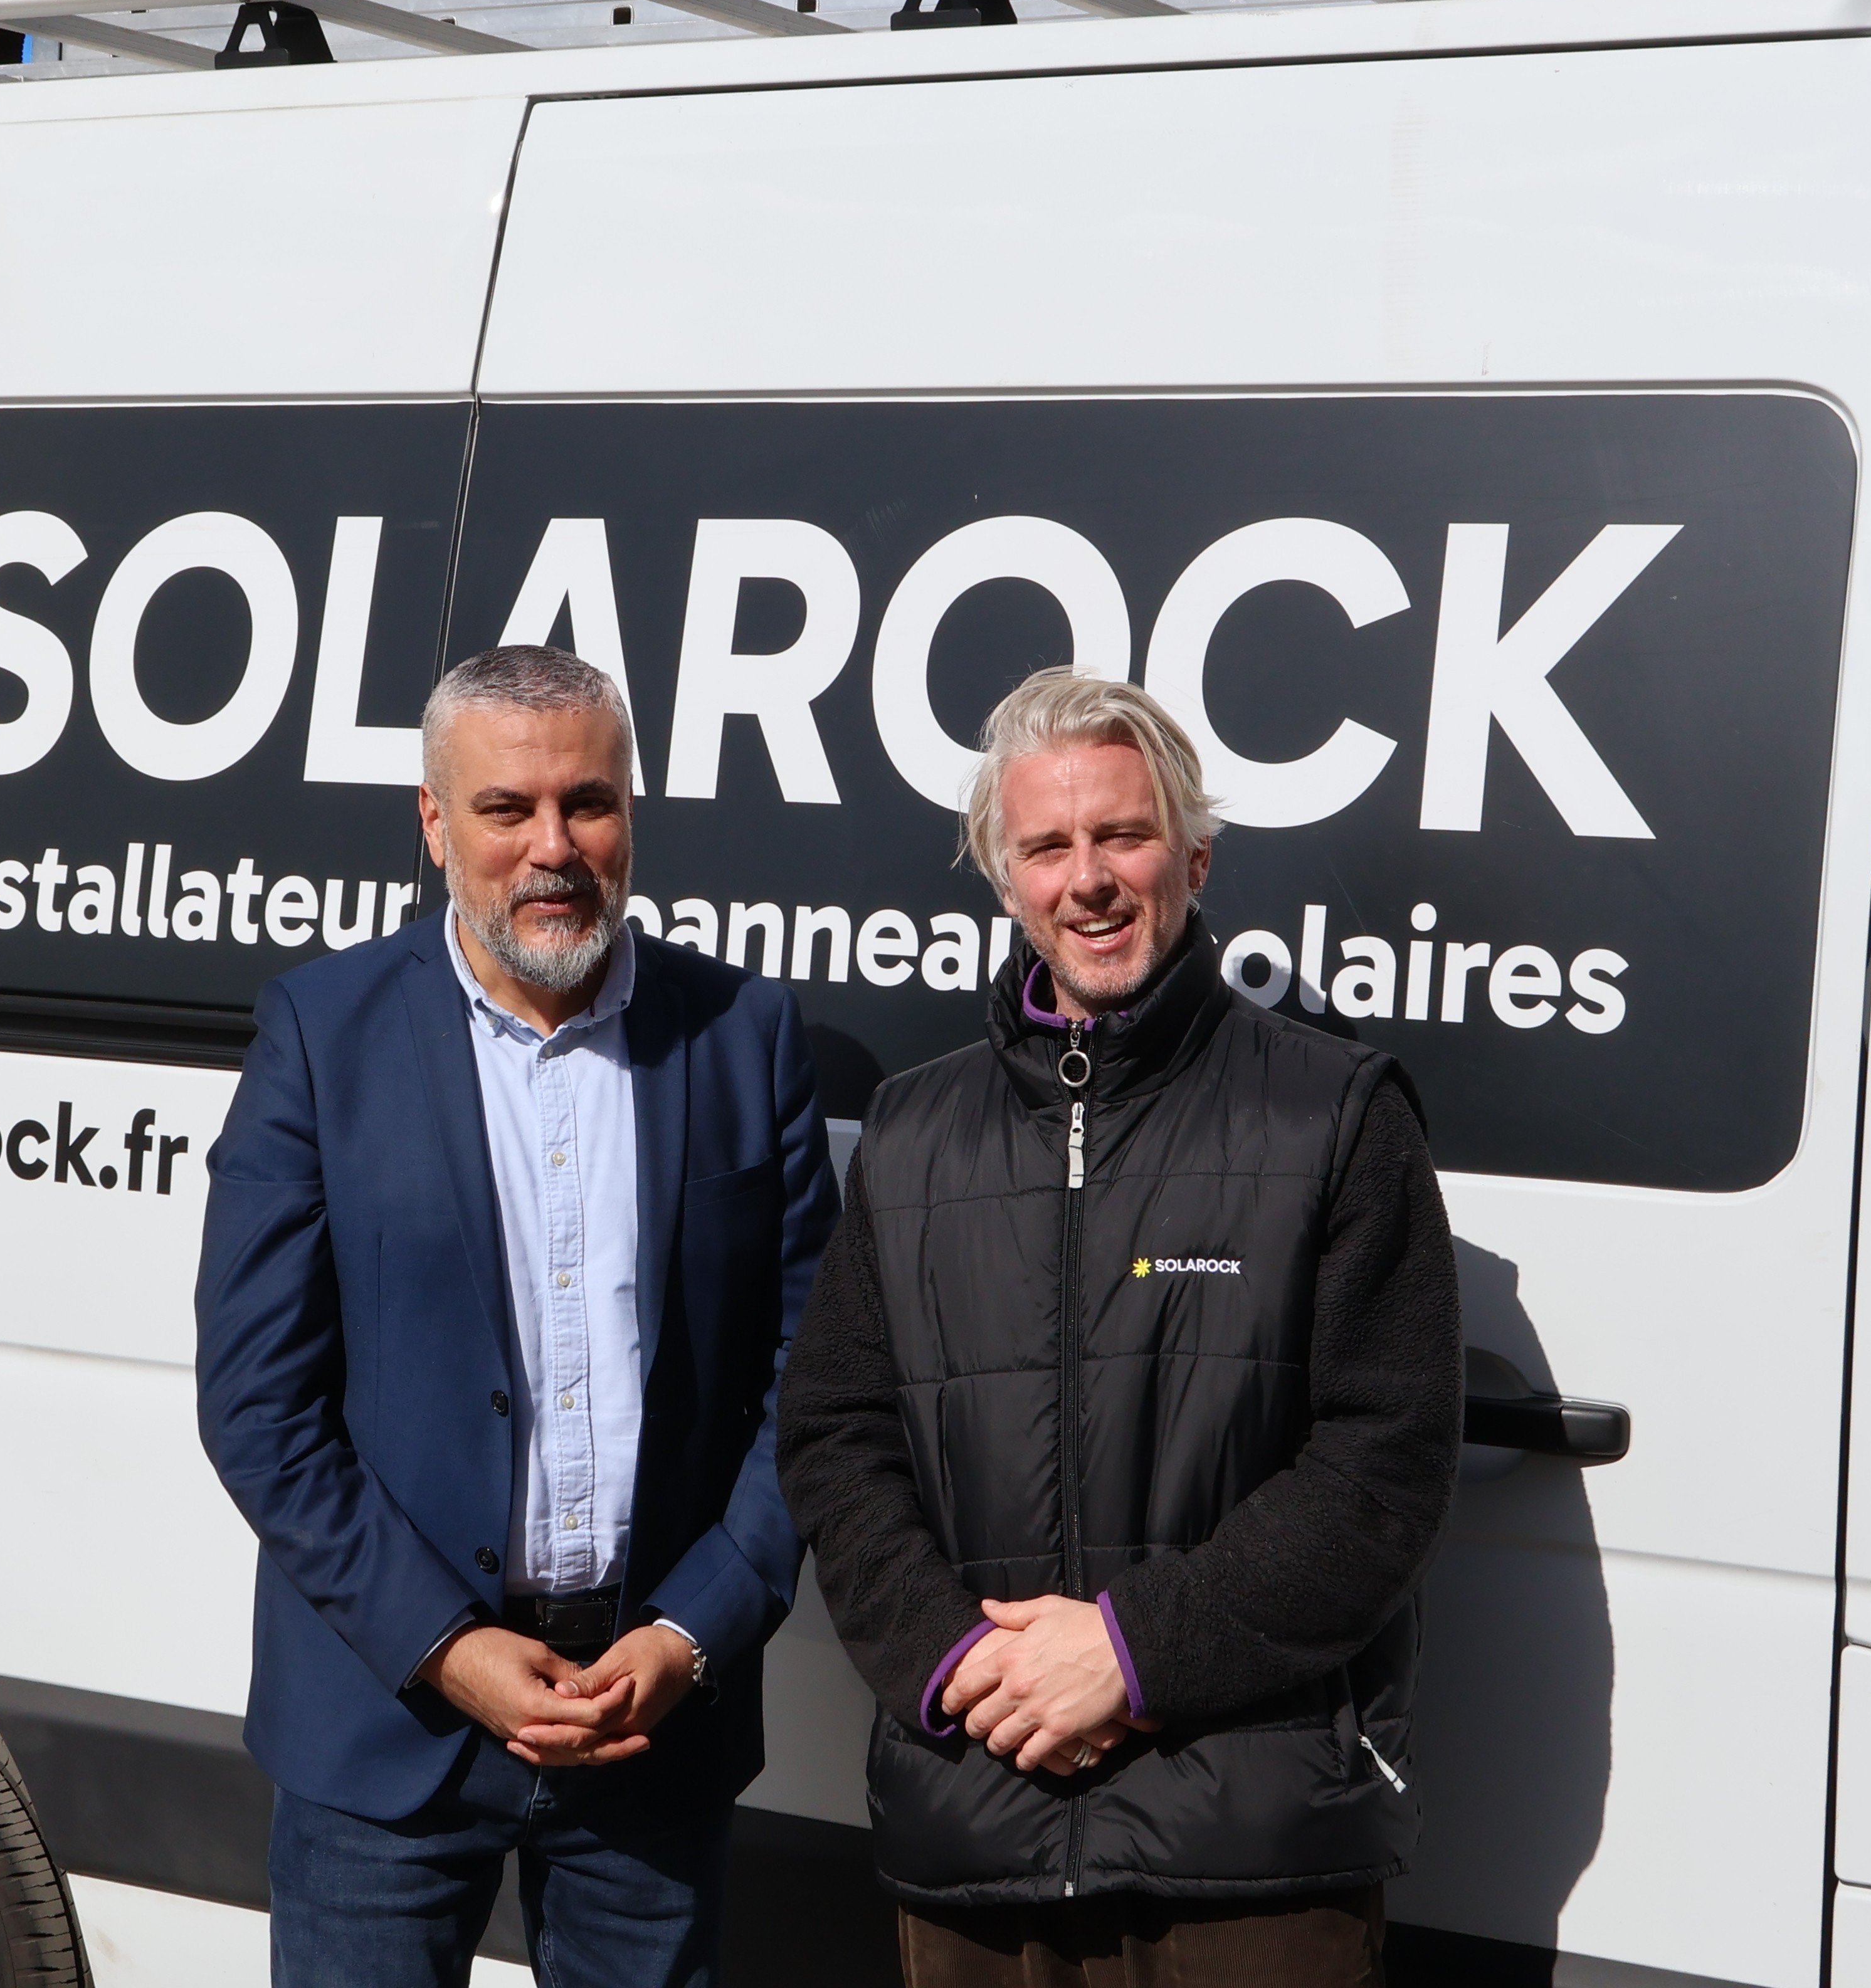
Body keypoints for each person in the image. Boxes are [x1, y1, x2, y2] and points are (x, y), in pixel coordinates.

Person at [777, 668, 1465, 1987]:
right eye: (1046, 844)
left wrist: (1135, 1651)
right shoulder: (915, 1135)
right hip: (976, 1811)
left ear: (1194, 855)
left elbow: (1384, 1461)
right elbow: (833, 1433)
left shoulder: (1332, 1113)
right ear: (1004, 878)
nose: (1087, 877)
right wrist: (962, 1658)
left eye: (1123, 834)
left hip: (1249, 1847)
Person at [196, 643, 836, 1988]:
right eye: (506, 809)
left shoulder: (743, 1035)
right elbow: (261, 1404)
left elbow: (817, 1388)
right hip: (386, 1724)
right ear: (436, 823)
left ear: (631, 814)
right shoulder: (323, 1034)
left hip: (649, 1727)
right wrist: (448, 1643)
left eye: (589, 802)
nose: (554, 845)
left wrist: (692, 1629)